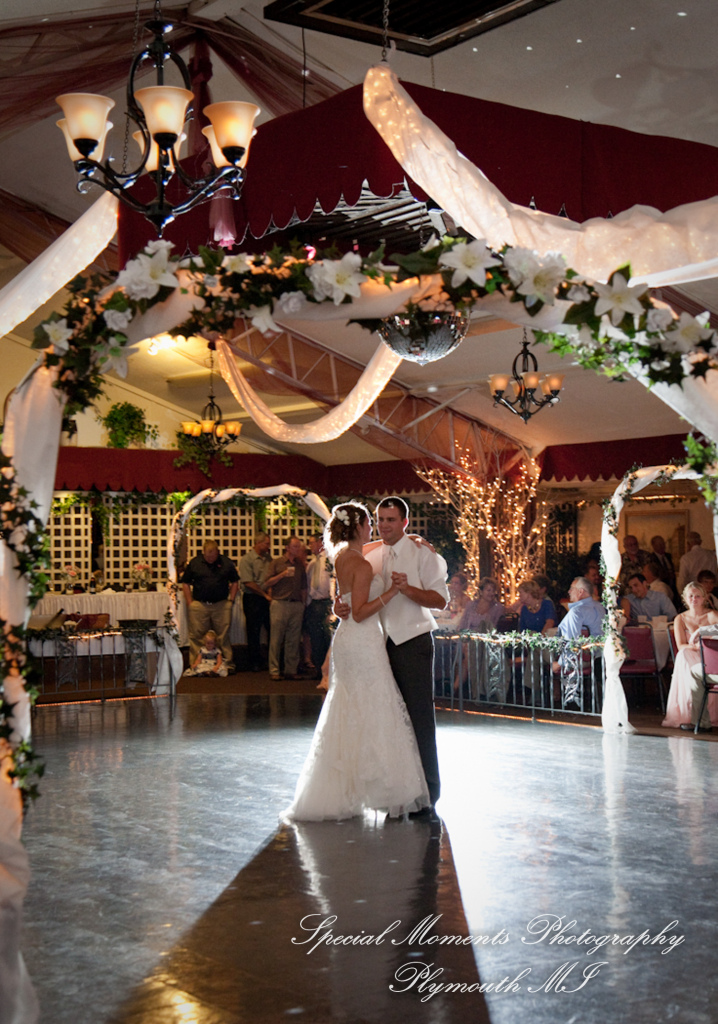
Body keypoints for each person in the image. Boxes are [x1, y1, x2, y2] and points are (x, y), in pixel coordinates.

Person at [283, 502, 429, 820]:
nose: (373, 528)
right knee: (376, 707)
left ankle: (348, 788)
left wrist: (411, 539)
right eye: (369, 523)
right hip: (363, 641)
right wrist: (392, 592)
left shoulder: (341, 557)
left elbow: (348, 600)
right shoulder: (361, 565)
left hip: (347, 640)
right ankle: (384, 788)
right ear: (359, 526)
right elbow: (361, 612)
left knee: (349, 708)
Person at [662, 583, 718, 732]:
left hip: (711, 656)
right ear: (685, 598)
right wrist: (696, 647)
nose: (694, 599)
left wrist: (705, 645)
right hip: (691, 653)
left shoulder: (712, 615)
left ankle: (706, 716)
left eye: (697, 596)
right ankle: (688, 711)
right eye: (691, 596)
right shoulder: (680, 618)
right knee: (683, 654)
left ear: (704, 598)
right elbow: (681, 645)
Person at [181, 539, 239, 671]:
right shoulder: (195, 563)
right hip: (199, 604)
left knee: (223, 635)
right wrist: (190, 602)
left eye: (213, 556)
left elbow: (235, 581)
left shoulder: (226, 563)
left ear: (218, 552)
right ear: (203, 553)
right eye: (208, 557)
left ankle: (227, 663)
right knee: (197, 636)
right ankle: (196, 665)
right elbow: (185, 583)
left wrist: (231, 600)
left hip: (221, 604)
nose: (210, 559)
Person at [263, 536, 307, 681]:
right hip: (280, 603)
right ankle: (274, 670)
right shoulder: (277, 563)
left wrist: (303, 604)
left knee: (293, 639)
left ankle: (291, 669)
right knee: (276, 638)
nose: (298, 549)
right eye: (295, 546)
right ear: (287, 548)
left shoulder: (300, 565)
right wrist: (282, 575)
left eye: (298, 546)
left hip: (296, 603)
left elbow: (303, 586)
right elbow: (267, 582)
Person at [238, 532, 272, 672]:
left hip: (266, 597)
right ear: (258, 543)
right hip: (252, 598)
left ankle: (270, 660)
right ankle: (254, 661)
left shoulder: (268, 558)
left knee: (270, 628)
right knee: (253, 630)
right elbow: (248, 582)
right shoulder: (247, 559)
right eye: (266, 543)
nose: (269, 546)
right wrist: (264, 594)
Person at [304, 533, 333, 680]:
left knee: (327, 638)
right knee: (316, 639)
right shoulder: (312, 563)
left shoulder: (329, 560)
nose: (310, 546)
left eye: (312, 543)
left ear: (320, 543)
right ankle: (319, 669)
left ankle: (329, 671)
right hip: (314, 603)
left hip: (327, 602)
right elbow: (309, 586)